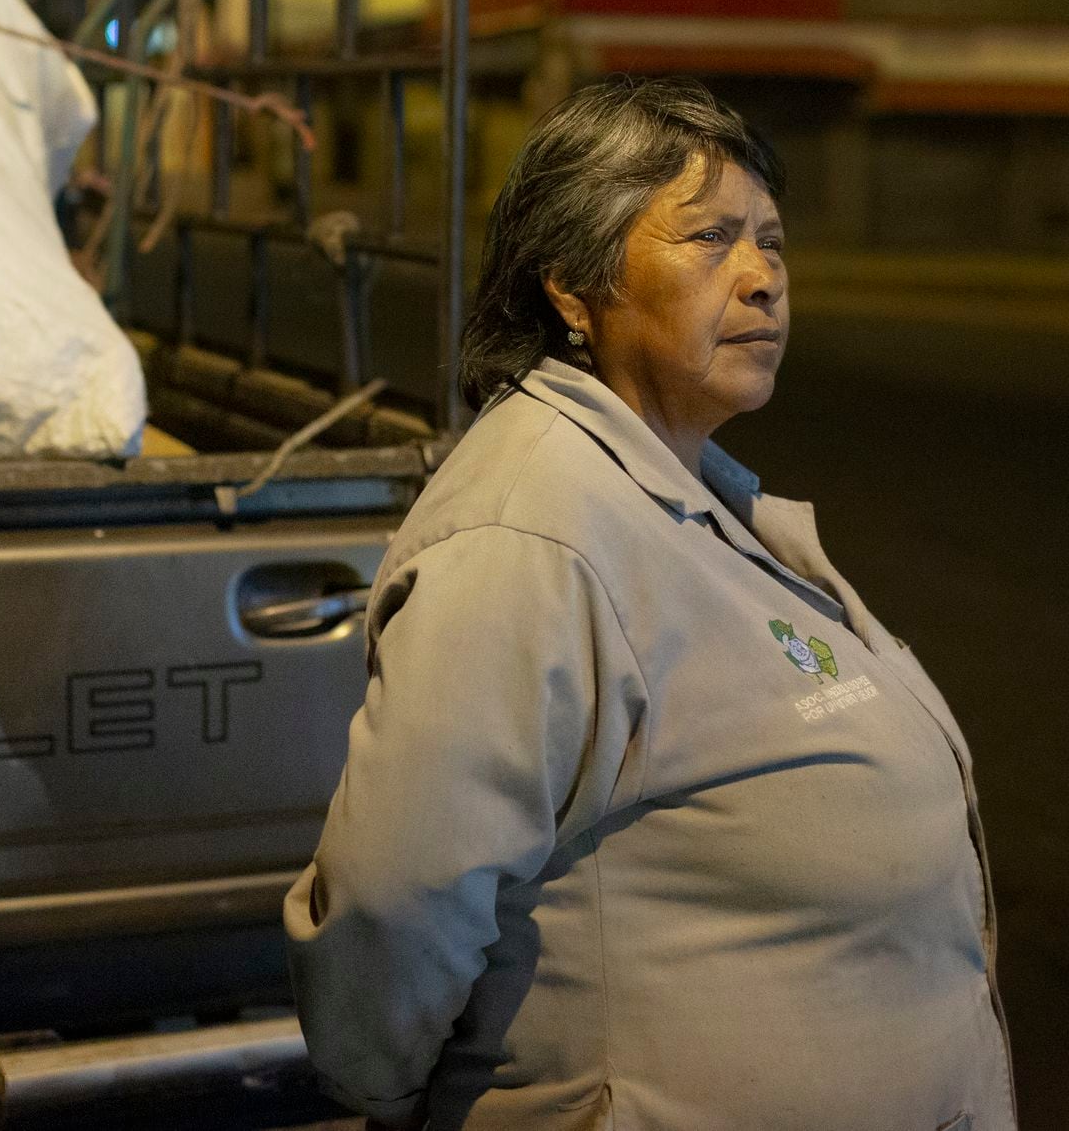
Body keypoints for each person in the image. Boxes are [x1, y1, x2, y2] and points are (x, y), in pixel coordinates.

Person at [284, 78, 1015, 1130]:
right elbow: (394, 908)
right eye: (710, 239)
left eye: (771, 239)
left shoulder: (672, 487)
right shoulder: (528, 536)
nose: (764, 279)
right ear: (573, 290)